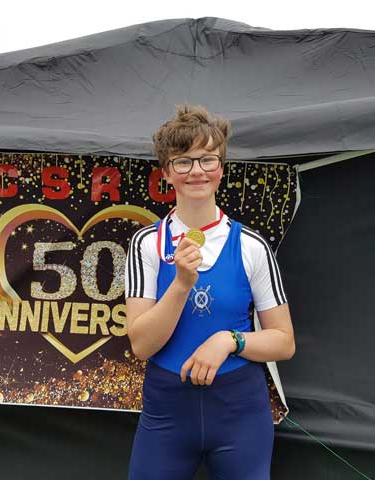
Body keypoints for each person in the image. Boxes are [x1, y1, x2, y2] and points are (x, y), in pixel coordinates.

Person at [125, 105, 295, 480]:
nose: (197, 171)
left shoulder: (251, 246)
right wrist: (182, 284)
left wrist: (230, 340)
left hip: (239, 413)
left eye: (207, 160)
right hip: (167, 413)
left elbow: (283, 342)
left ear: (221, 168)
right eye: (183, 162)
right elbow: (141, 345)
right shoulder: (146, 244)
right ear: (167, 173)